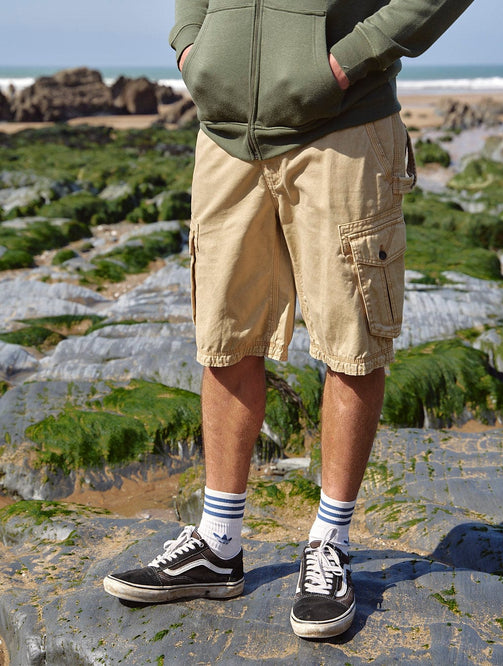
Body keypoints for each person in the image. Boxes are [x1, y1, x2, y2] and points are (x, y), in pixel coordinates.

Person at [104, 0, 474, 639]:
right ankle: (218, 544)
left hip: (344, 126)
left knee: (350, 340)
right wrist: (194, 46)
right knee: (224, 336)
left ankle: (329, 542)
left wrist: (343, 62)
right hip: (225, 135)